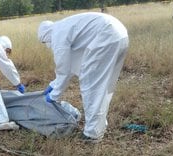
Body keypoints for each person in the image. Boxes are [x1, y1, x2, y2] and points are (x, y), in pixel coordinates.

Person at [38, 13, 129, 141]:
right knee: (104, 87)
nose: (47, 45)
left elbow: (63, 68)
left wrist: (54, 96)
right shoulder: (65, 26)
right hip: (119, 33)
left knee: (92, 87)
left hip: (106, 35)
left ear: (45, 36)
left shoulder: (57, 34)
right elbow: (71, 64)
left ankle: (92, 135)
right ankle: (99, 124)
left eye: (44, 42)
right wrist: (53, 85)